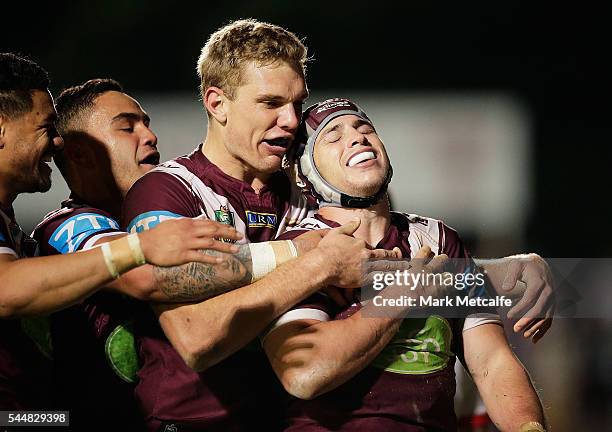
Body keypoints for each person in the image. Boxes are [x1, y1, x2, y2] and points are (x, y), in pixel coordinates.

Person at [121, 19, 553, 431]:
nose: (290, 121)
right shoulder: (169, 192)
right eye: (271, 103)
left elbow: (398, 267)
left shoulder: (297, 194)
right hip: (195, 424)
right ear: (217, 103)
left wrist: (500, 269)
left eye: (296, 103)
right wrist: (315, 264)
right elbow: (196, 339)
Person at [263, 98, 547, 432]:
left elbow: (490, 362)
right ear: (303, 173)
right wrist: (404, 294)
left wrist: (530, 427)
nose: (357, 138)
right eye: (333, 136)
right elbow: (306, 374)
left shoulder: (439, 239)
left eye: (365, 128)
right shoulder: (298, 248)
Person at [0, 53, 243, 410]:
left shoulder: (14, 232)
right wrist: (298, 257)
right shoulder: (70, 225)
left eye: (145, 123)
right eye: (127, 127)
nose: (56, 142)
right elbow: (6, 288)